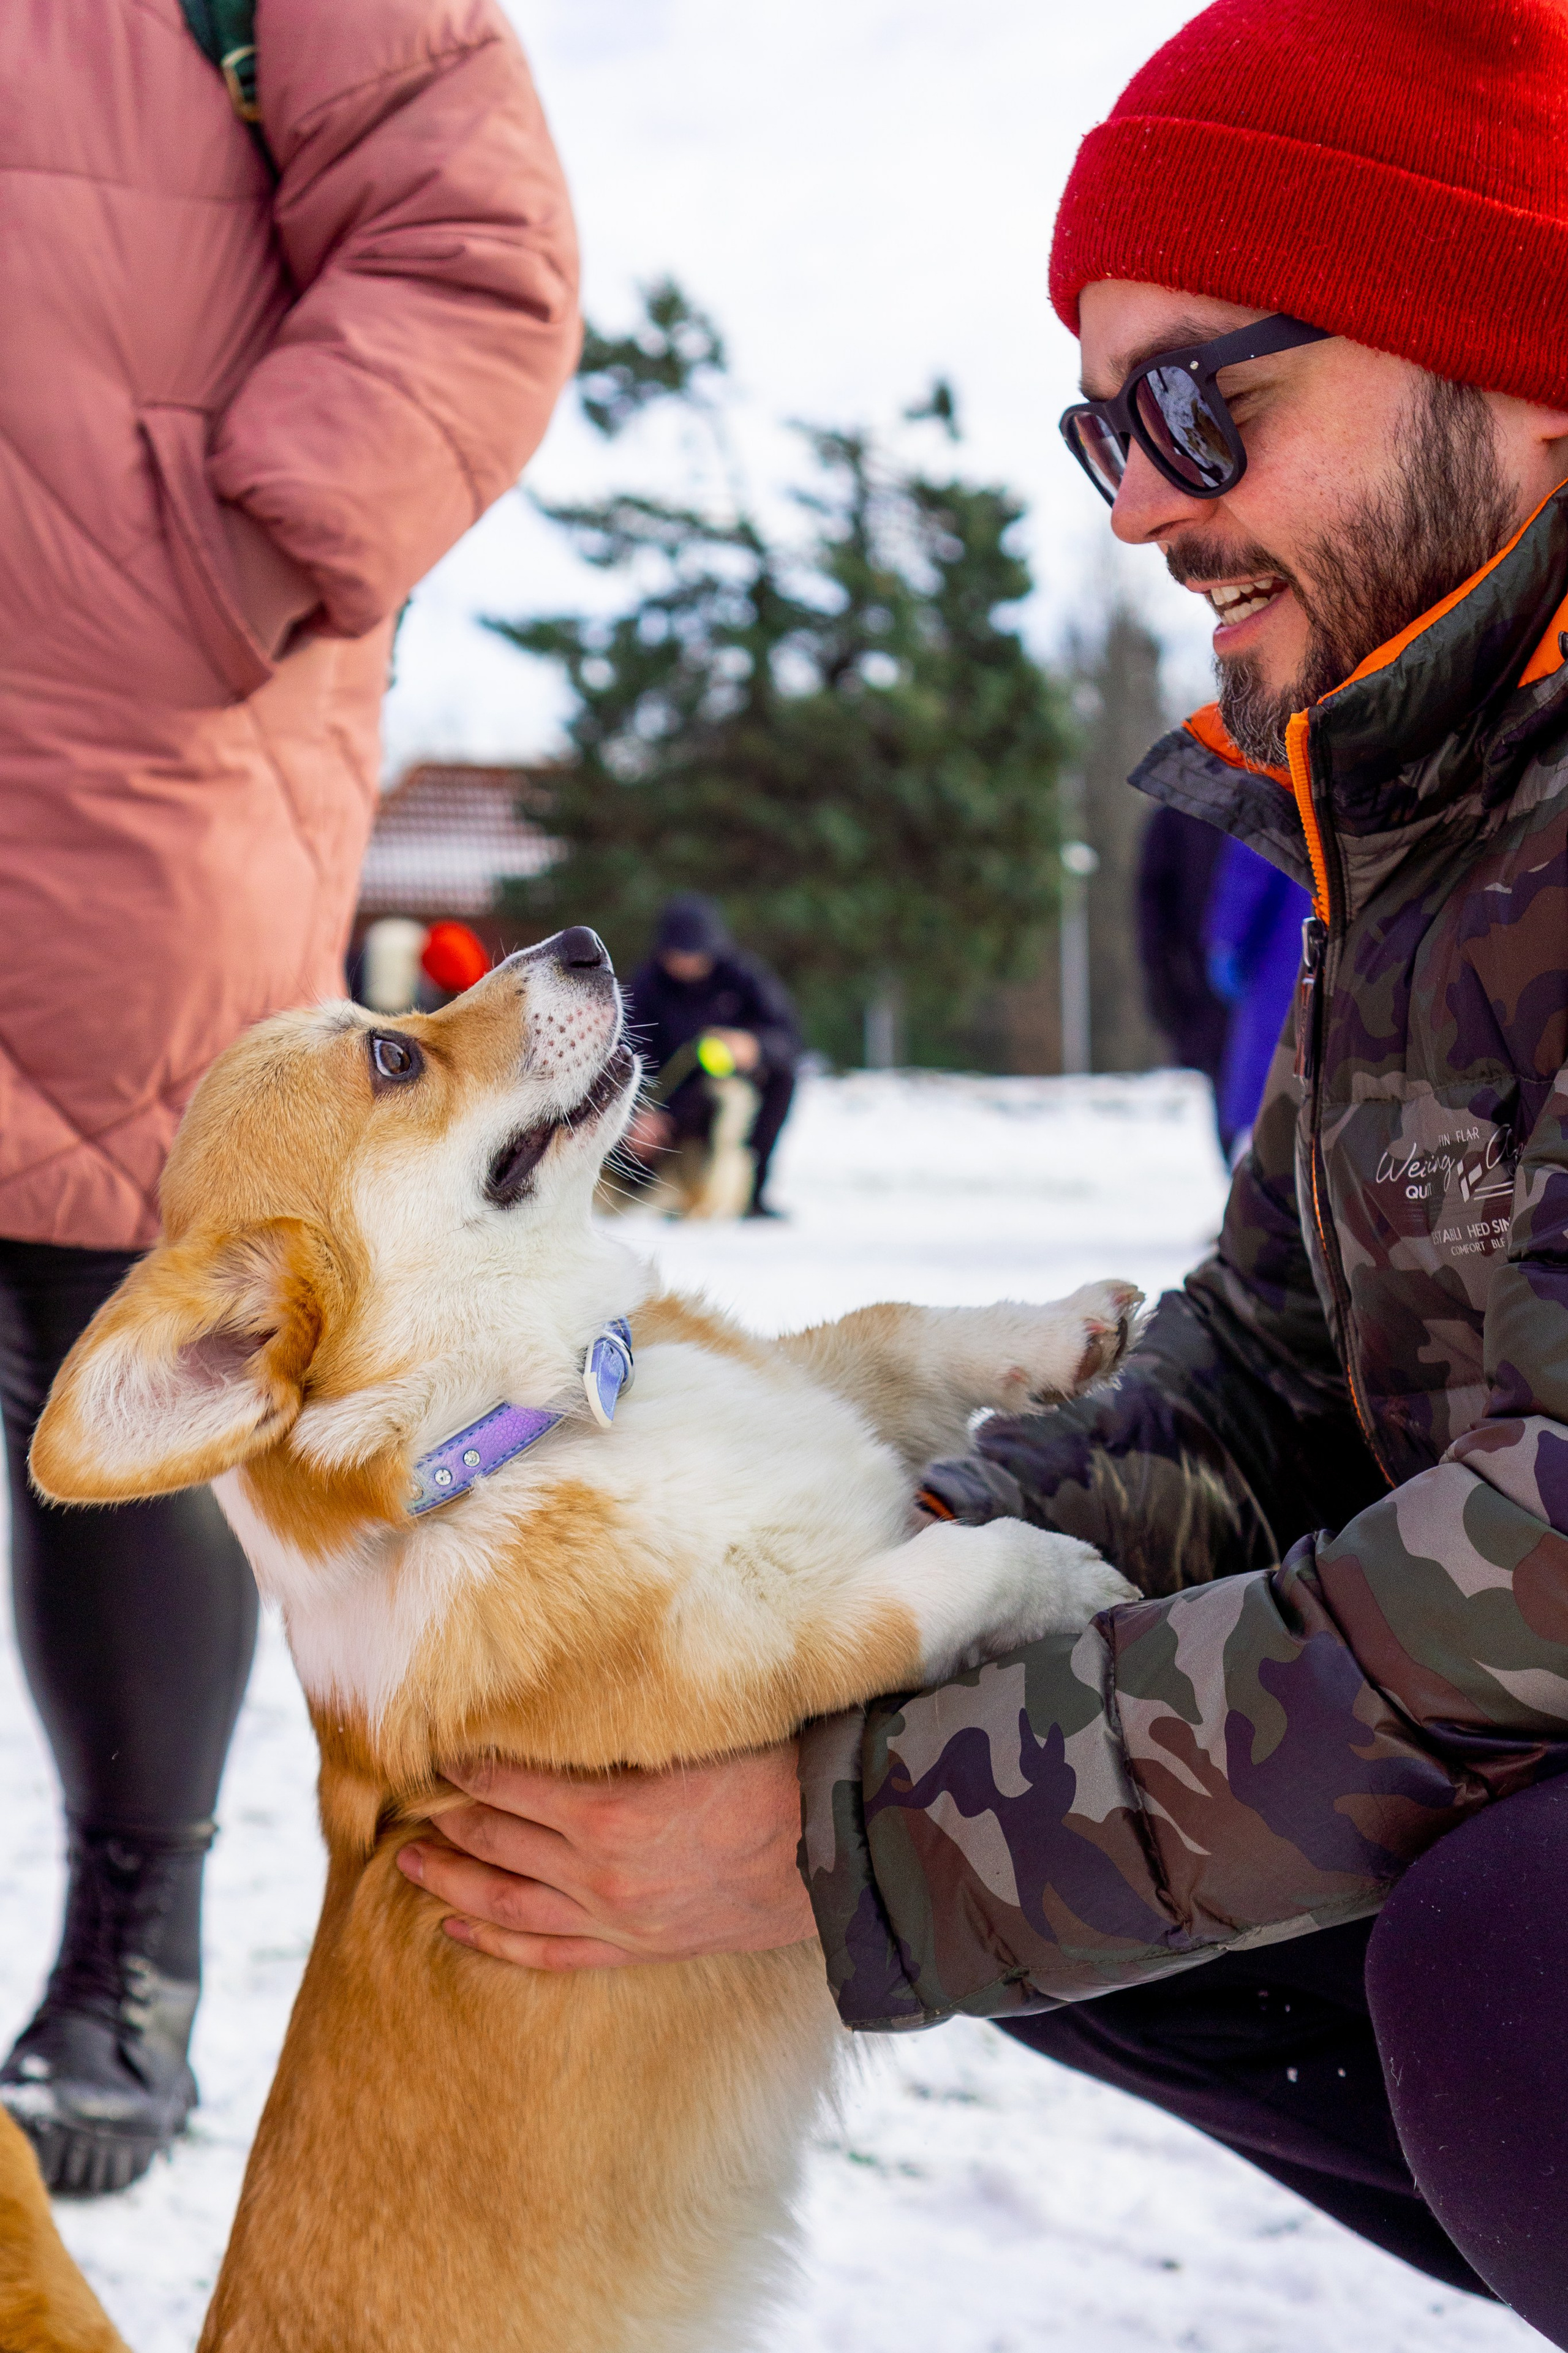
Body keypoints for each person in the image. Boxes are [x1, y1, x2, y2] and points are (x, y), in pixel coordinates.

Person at [395, 0, 1568, 2336]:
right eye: (1094, 428)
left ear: (1510, 361)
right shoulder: (1421, 832)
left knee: (1508, 1959)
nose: (1133, 507)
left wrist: (852, 1845)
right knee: (971, 1805)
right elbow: (1267, 1381)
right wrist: (816, 1592)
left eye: (1193, 407)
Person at [0, 0, 578, 2194]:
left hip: (127, 730)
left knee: (125, 1336)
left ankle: (126, 1956)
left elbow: (472, 242)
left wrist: (222, 550)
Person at [620, 896, 802, 1218]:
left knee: (782, 1080)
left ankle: (752, 1193)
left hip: (725, 1095)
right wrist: (637, 1113)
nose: (688, 962)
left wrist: (754, 1046)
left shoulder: (744, 977)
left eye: (695, 953)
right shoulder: (645, 986)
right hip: (667, 1108)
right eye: (679, 953)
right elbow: (628, 1051)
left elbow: (789, 1039)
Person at [1203, 834, 1313, 1158]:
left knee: (1272, 1107)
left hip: (1281, 967)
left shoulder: (1280, 801)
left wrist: (1226, 941)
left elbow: (1253, 857)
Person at [1136, 803, 1229, 1101]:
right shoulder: (1175, 817)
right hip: (1203, 987)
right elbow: (1152, 908)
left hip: (1251, 989)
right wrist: (1163, 983)